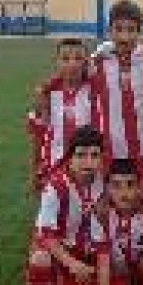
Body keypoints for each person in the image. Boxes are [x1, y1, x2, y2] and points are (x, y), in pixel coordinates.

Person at [19, 126, 106, 285]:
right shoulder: (56, 186)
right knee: (40, 258)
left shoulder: (102, 183)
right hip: (58, 251)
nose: (88, 162)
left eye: (94, 155)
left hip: (84, 252)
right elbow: (46, 237)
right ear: (70, 157)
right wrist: (72, 264)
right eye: (81, 155)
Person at [88, 0, 143, 190]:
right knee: (116, 209)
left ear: (140, 31)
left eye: (131, 30)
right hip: (112, 151)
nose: (125, 36)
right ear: (110, 30)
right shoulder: (98, 60)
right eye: (119, 29)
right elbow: (70, 72)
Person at [25, 38, 97, 193]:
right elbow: (37, 138)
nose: (72, 64)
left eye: (78, 58)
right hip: (53, 170)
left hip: (87, 171)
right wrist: (34, 173)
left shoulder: (95, 91)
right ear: (56, 62)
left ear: (86, 62)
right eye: (65, 59)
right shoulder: (46, 95)